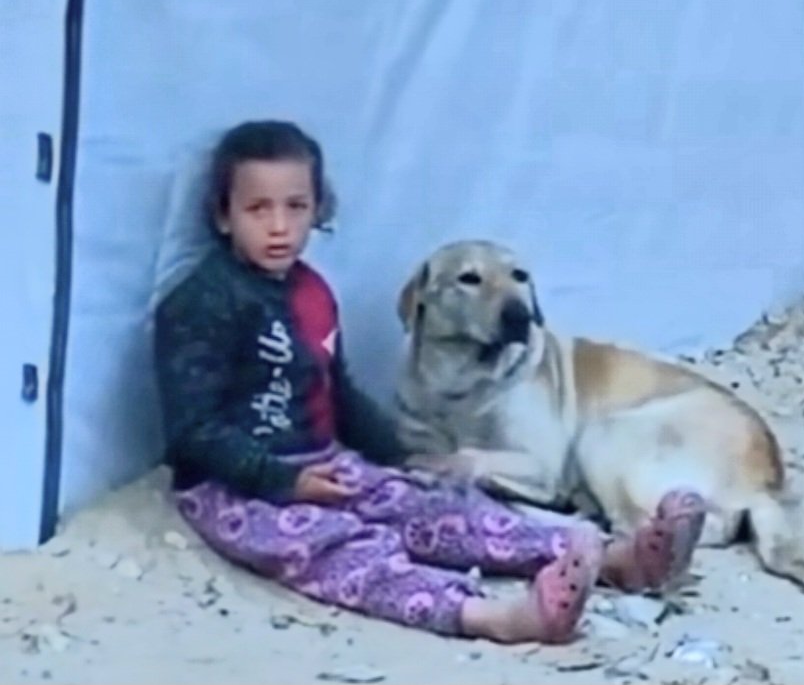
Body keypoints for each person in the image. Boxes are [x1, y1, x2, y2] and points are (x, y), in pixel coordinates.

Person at [152, 119, 706, 644]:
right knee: (339, 548)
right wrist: (282, 481)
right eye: (257, 209)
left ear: (318, 209)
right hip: (235, 488)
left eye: (295, 207)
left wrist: (397, 457)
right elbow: (193, 431)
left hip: (324, 462)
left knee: (435, 508)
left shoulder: (312, 293)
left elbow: (336, 390)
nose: (279, 226)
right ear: (222, 216)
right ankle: (494, 616)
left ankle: (614, 558)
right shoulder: (201, 304)